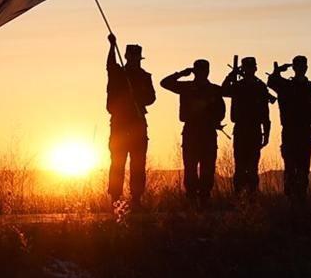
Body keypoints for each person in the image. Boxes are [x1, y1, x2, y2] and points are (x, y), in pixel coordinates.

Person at [161, 60, 225, 207]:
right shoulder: (187, 87)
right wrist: (181, 74)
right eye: (199, 71)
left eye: (204, 70)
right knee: (190, 167)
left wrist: (215, 120)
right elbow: (165, 83)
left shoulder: (214, 90)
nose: (202, 73)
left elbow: (221, 111)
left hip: (207, 132)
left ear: (207, 71)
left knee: (207, 167)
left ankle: (204, 199)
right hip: (191, 131)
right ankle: (191, 199)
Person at [105, 34, 156, 211]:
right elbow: (110, 65)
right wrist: (112, 46)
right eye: (132, 57)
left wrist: (138, 96)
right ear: (127, 57)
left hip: (137, 124)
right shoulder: (119, 74)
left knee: (138, 163)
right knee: (117, 162)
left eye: (136, 57)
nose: (134, 60)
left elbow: (151, 98)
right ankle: (115, 198)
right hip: (120, 124)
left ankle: (136, 198)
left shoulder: (145, 77)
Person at [267, 56, 311, 202]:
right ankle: (290, 199)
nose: (301, 69)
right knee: (290, 168)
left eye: (303, 66)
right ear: (294, 68)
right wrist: (277, 71)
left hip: (305, 132)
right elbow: (271, 82)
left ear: (306, 68)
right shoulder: (285, 85)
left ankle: (301, 199)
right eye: (298, 66)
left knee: (303, 169)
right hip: (290, 131)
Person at [221, 57, 271, 196]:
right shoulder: (242, 86)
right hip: (242, 129)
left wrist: (266, 133)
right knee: (241, 167)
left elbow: (265, 113)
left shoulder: (258, 87)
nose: (249, 70)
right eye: (247, 68)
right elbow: (223, 91)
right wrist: (231, 75)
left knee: (252, 167)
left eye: (250, 67)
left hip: (253, 130)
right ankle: (241, 196)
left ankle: (251, 196)